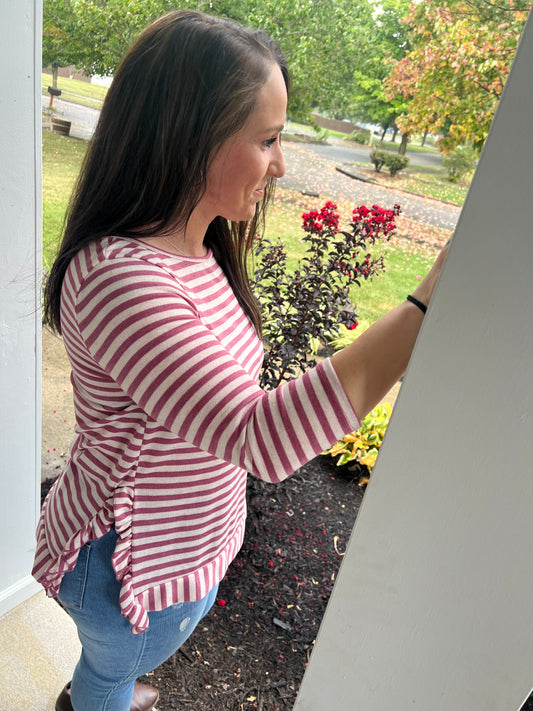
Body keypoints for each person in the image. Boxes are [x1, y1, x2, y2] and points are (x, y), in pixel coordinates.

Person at [34, 10, 448, 711]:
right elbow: (260, 436)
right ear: (186, 138)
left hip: (174, 544)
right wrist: (425, 306)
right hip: (125, 562)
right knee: (110, 670)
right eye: (267, 139)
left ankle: (104, 683)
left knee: (117, 662)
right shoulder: (121, 279)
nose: (281, 163)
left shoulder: (197, 248)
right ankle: (96, 695)